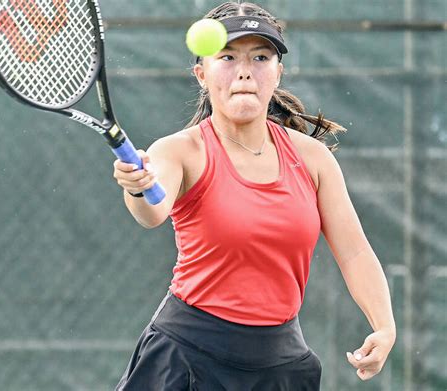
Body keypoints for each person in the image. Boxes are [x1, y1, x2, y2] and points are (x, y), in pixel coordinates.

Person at [113, 2, 396, 390]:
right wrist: (139, 186)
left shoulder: (312, 159)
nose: (244, 70)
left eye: (260, 57)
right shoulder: (179, 151)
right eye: (227, 56)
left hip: (281, 365)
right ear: (201, 73)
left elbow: (355, 252)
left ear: (277, 73)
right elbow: (152, 211)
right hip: (187, 359)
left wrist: (384, 326)